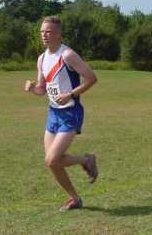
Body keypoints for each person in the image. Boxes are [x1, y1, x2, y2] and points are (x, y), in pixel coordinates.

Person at [24, 16, 98, 211]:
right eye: (41, 32)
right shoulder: (41, 58)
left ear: (58, 34)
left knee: (52, 159)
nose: (44, 35)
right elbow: (42, 89)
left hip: (71, 112)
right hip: (53, 113)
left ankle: (86, 160)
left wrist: (70, 94)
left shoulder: (68, 55)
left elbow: (91, 78)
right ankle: (74, 198)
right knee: (53, 163)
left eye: (48, 32)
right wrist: (33, 88)